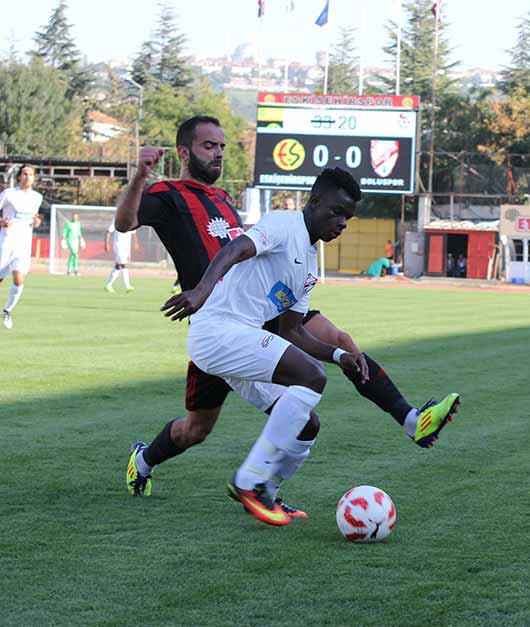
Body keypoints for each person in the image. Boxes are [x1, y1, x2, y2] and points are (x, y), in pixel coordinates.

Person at [116, 116, 458, 518]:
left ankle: (406, 422)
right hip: (214, 317)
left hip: (259, 315)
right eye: (210, 145)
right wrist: (140, 176)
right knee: (198, 428)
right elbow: (142, 227)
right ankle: (181, 468)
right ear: (184, 151)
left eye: (223, 146)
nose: (219, 153)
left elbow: (291, 325)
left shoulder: (232, 206)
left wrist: (335, 357)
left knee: (325, 379)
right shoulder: (171, 196)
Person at [0, 165, 43, 329]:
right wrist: (1, 222)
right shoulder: (9, 194)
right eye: (24, 174)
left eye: (31, 174)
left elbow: (34, 215)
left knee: (19, 280)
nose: (27, 177)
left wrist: (37, 220)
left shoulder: (37, 197)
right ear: (19, 177)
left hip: (24, 246)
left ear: (34, 178)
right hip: (6, 243)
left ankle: (7, 311)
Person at [104, 219, 136, 292]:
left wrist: (135, 243)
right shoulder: (117, 219)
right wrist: (106, 244)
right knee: (123, 265)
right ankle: (127, 286)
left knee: (118, 266)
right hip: (118, 246)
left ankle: (108, 285)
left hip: (126, 246)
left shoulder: (131, 220)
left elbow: (133, 233)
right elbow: (108, 231)